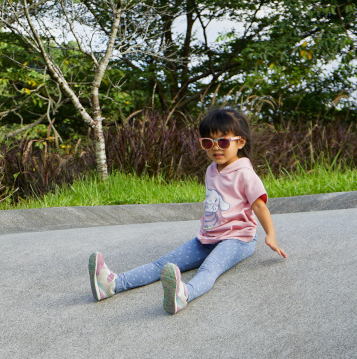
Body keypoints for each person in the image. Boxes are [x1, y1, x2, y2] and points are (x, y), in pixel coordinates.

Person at [88, 107, 287, 315]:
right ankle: (112, 284)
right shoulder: (212, 169)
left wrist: (271, 235)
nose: (216, 148)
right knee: (162, 264)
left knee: (210, 268)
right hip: (208, 236)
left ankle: (184, 294)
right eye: (208, 142)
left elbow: (259, 205)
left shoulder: (245, 173)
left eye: (224, 142)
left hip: (238, 239)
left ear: (241, 142)